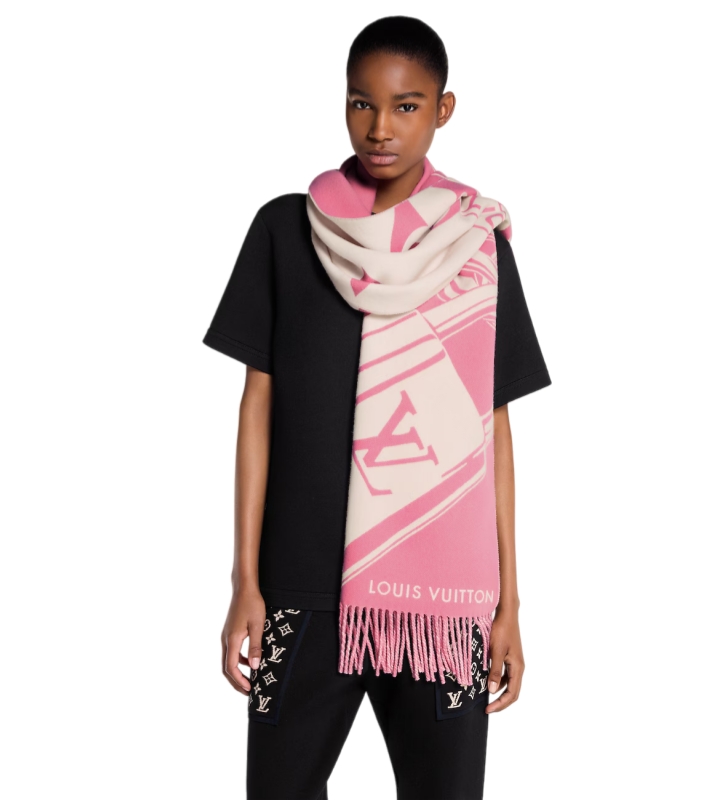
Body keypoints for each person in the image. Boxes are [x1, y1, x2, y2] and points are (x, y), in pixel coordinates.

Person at [202, 15, 552, 800]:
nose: (381, 128)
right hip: (298, 586)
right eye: (362, 103)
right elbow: (257, 409)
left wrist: (509, 606)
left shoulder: (476, 246)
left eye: (406, 106)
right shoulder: (286, 230)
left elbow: (491, 432)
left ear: (443, 109)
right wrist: (245, 580)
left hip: (443, 610)